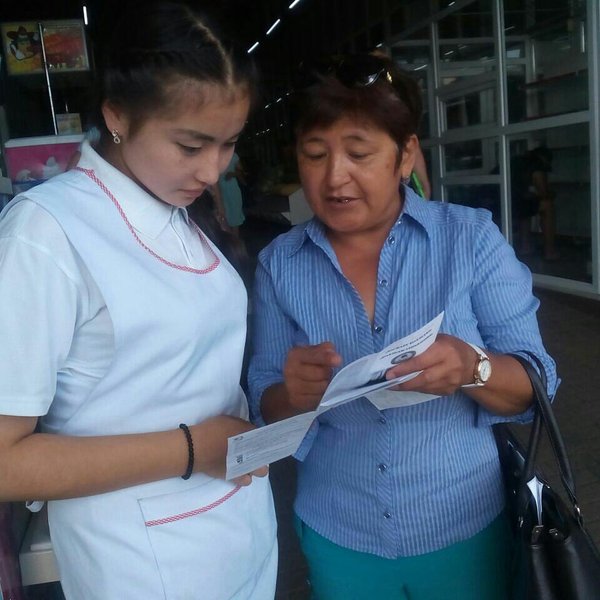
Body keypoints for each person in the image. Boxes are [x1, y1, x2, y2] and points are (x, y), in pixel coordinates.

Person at [248, 53, 557, 600]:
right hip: (340, 529)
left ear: (405, 154)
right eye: (314, 154)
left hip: (463, 525)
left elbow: (537, 385)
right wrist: (290, 395)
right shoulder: (280, 264)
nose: (334, 176)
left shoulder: (469, 240)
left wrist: (472, 366)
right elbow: (265, 405)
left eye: (358, 153)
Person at [0, 3, 277, 598]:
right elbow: (5, 462)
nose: (213, 171)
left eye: (228, 144)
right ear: (117, 115)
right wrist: (193, 447)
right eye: (190, 145)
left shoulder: (170, 206)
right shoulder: (47, 233)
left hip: (233, 527)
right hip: (137, 562)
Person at [511, 146, 559, 260]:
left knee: (526, 207)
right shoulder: (537, 164)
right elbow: (543, 192)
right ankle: (549, 252)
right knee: (547, 205)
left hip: (495, 199)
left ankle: (525, 247)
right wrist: (552, 194)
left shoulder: (517, 160)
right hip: (507, 201)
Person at [213, 151, 246, 237]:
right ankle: (230, 241)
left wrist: (233, 174)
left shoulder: (233, 155)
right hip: (219, 191)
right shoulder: (214, 155)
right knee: (223, 219)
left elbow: (241, 172)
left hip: (232, 190)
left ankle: (235, 241)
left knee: (234, 217)